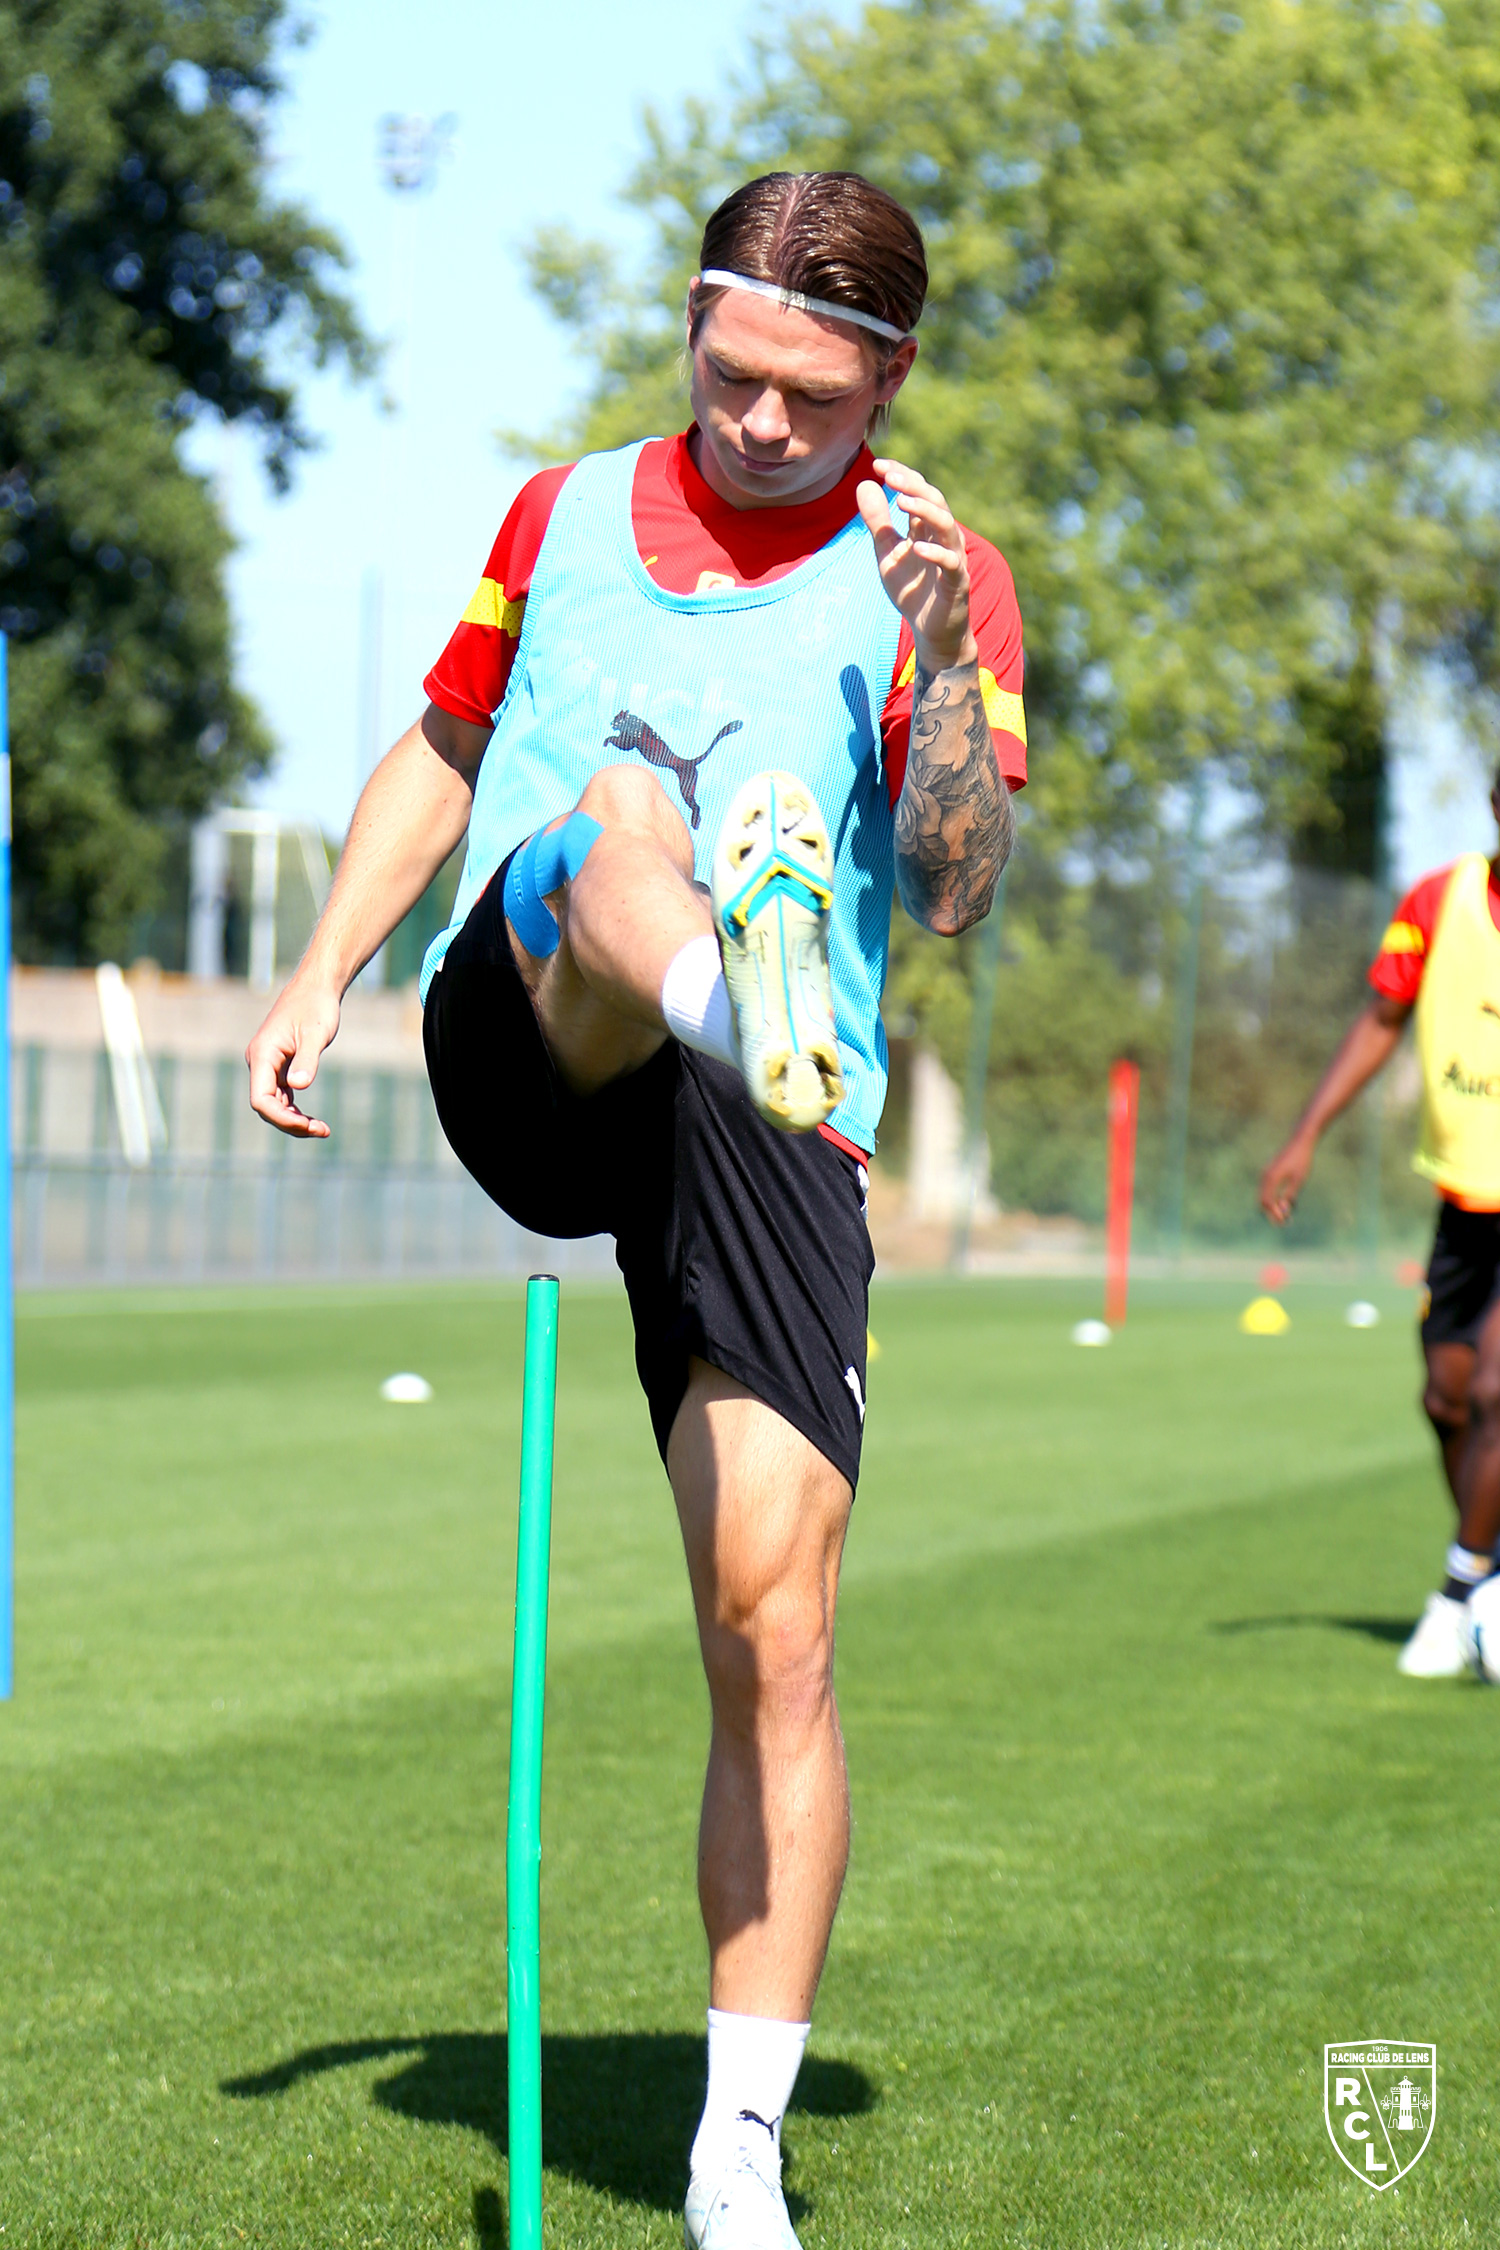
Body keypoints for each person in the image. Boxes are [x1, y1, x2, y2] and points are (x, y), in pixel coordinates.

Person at [247, 170, 1025, 2249]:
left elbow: (954, 882)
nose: (765, 423)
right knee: (625, 815)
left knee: (776, 1628)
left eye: (813, 395)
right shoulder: (560, 519)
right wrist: (319, 969)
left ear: (893, 377)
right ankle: (713, 965)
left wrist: (941, 664)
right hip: (545, 1031)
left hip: (774, 1123)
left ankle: (730, 2149)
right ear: (695, 329)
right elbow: (439, 741)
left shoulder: (937, 573)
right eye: (732, 373)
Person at [1260, 771, 1500, 1679]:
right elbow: (1381, 1018)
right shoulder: (1439, 903)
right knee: (1446, 1397)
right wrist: (1304, 1135)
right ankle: (1489, 1575)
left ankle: (1455, 1595)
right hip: (1465, 1202)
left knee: (1494, 1395)